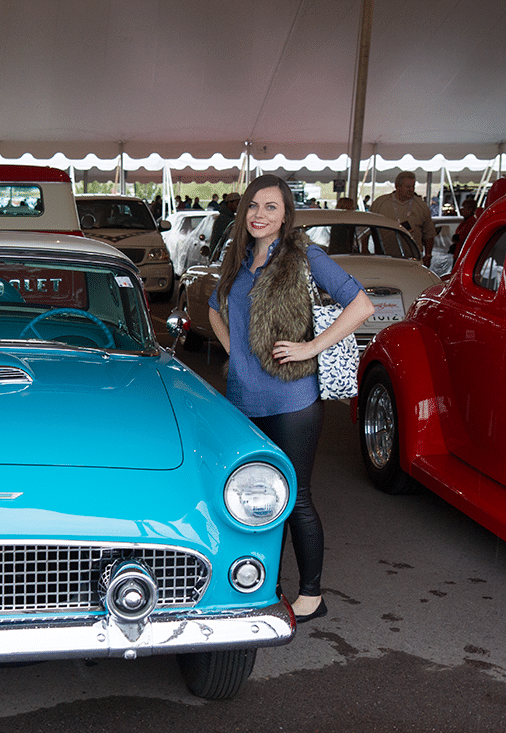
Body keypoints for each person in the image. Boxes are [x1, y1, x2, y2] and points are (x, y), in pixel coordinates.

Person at [207, 174, 374, 623]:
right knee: (256, 498)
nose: (260, 215)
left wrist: (311, 347)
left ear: (286, 215)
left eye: (271, 208)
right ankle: (264, 584)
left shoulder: (304, 257)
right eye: (254, 206)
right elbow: (212, 307)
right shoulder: (237, 259)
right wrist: (234, 352)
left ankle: (312, 596)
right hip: (243, 399)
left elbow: (361, 305)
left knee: (296, 497)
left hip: (293, 399)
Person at [371, 171, 435, 268]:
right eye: (408, 187)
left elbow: (429, 233)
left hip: (413, 260)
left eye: (413, 187)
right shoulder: (380, 203)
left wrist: (428, 255)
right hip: (385, 258)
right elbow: (365, 232)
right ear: (397, 186)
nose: (411, 190)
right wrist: (365, 251)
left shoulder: (421, 205)